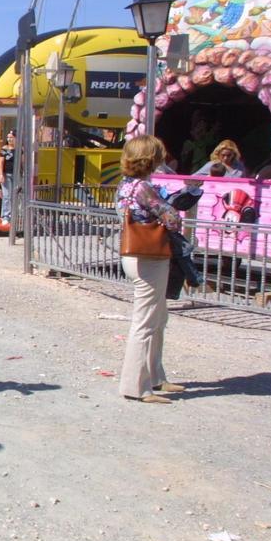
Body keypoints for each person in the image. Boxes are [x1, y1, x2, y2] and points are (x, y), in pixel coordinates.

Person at [116, 135, 186, 404]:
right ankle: (136, 385)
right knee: (145, 322)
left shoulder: (124, 185)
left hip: (133, 254)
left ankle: (155, 375)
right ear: (150, 158)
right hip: (149, 257)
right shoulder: (144, 188)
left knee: (158, 317)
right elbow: (170, 218)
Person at [0, 130, 17, 223]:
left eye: (11, 137)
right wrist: (1, 174)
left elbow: (22, 162)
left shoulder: (20, 149)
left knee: (15, 195)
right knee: (6, 195)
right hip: (6, 174)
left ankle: (13, 215)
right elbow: (1, 163)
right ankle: (5, 216)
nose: (9, 139)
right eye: (8, 137)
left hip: (17, 175)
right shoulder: (4, 149)